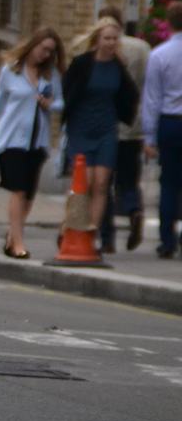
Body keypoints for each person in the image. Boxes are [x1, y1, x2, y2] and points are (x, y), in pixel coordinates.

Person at [0, 27, 66, 259]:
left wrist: (50, 104)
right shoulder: (11, 70)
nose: (45, 55)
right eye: (42, 49)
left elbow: (61, 103)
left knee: (29, 194)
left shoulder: (51, 75)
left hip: (37, 142)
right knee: (18, 190)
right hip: (12, 139)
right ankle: (18, 242)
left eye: (50, 51)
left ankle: (12, 235)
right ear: (32, 45)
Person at [62, 16, 140, 255]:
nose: (110, 43)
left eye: (115, 39)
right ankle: (67, 227)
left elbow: (130, 95)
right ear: (97, 39)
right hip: (81, 128)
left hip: (107, 129)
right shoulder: (82, 63)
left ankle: (91, 233)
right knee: (82, 183)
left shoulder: (118, 67)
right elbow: (67, 91)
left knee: (102, 183)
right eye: (107, 38)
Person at [97, 6, 151, 253]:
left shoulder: (100, 48)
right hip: (134, 125)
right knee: (129, 179)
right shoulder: (140, 48)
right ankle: (134, 209)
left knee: (103, 183)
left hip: (107, 125)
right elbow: (149, 85)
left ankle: (107, 238)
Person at [141, 1, 182, 258]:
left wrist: (149, 136)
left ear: (168, 23)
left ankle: (167, 240)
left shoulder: (159, 55)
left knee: (168, 183)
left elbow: (152, 99)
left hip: (169, 122)